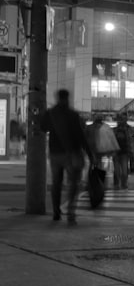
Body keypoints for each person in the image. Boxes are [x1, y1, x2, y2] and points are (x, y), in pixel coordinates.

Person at [40, 89, 93, 225]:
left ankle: (56, 212)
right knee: (73, 184)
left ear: (57, 98)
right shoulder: (73, 115)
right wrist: (89, 153)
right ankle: (70, 212)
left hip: (55, 154)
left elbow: (42, 127)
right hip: (70, 153)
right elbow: (80, 135)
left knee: (56, 184)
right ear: (67, 98)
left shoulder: (50, 114)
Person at [112, 114, 134, 190]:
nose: (121, 121)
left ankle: (123, 183)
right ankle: (118, 184)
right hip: (116, 152)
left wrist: (133, 152)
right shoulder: (115, 130)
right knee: (117, 170)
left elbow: (132, 142)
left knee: (124, 170)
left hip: (124, 152)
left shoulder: (129, 129)